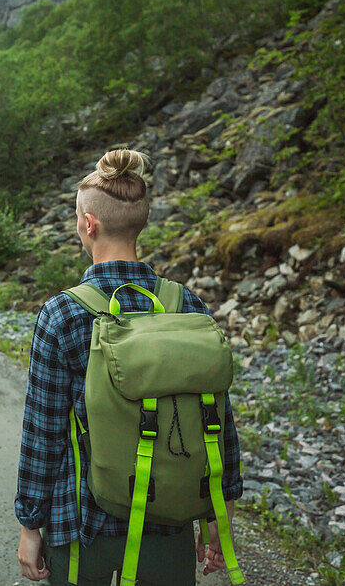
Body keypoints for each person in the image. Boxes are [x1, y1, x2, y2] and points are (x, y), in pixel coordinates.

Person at [15, 148, 243, 585]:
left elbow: (42, 432)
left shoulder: (61, 314)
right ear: (142, 222)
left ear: (88, 224)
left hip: (81, 526)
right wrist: (219, 518)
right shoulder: (184, 305)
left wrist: (29, 525)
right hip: (168, 519)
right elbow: (218, 421)